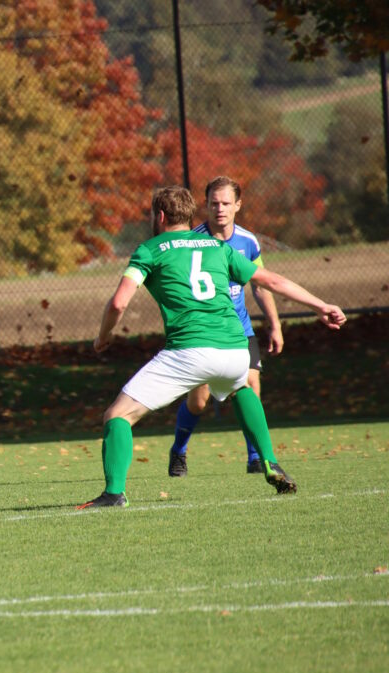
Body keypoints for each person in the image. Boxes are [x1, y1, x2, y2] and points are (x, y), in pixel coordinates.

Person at [79, 186, 346, 509]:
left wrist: (103, 336)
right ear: (190, 215)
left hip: (189, 350)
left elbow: (119, 303)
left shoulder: (149, 249)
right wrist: (321, 306)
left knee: (117, 415)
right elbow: (271, 281)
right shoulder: (218, 247)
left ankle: (113, 493)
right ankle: (269, 460)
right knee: (240, 387)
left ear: (159, 216)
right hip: (236, 349)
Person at [168, 176, 283, 478]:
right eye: (214, 203)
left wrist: (274, 324)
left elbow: (260, 285)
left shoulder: (248, 242)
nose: (220, 209)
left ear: (238, 205)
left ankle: (256, 458)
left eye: (226, 203)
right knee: (198, 401)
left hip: (240, 330)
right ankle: (179, 450)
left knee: (251, 386)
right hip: (204, 332)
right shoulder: (191, 242)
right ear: (205, 205)